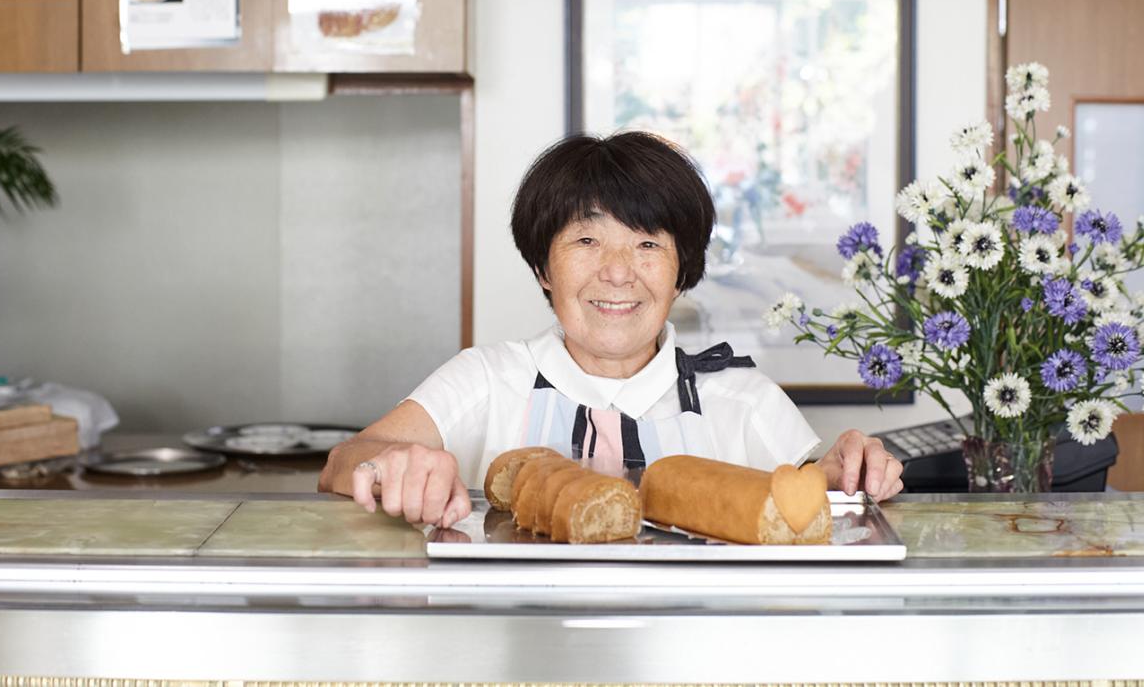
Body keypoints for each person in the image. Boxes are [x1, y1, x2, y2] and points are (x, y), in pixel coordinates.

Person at [318, 131, 904, 528]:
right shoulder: (487, 378)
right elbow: (346, 459)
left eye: (648, 243)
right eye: (587, 240)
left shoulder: (743, 400)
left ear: (682, 273)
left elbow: (814, 497)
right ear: (545, 267)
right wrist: (386, 465)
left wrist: (848, 472)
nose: (617, 272)